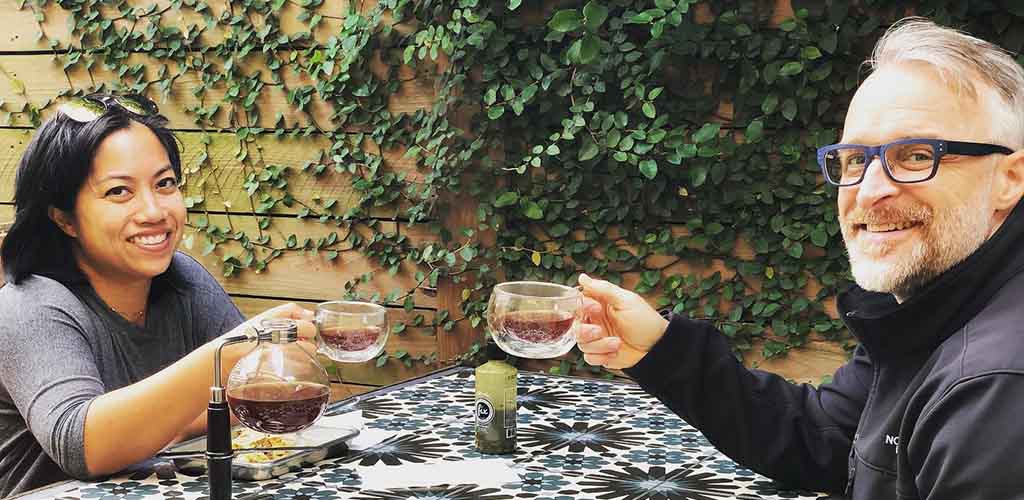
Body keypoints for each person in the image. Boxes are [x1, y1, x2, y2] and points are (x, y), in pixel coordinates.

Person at [575, 18, 1024, 499]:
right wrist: (662, 348)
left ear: (1009, 179)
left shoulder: (993, 388)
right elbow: (825, 439)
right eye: (855, 159)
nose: (869, 190)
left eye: (916, 155)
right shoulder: (932, 309)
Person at [0, 94, 316, 497]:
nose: (153, 210)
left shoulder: (183, 280)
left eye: (164, 184)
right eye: (119, 192)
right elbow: (84, 446)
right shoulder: (29, 305)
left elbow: (257, 396)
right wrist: (230, 353)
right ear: (64, 218)